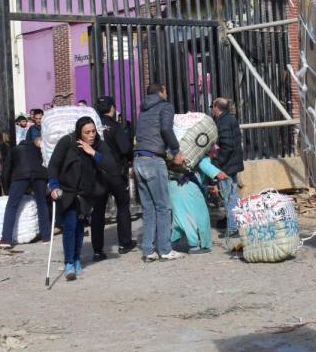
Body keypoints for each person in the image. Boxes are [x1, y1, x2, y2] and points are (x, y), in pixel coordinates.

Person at [47, 117, 117, 280]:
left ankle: (77, 257)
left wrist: (93, 153)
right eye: (87, 132)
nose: (91, 135)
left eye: (93, 131)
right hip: (68, 191)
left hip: (87, 194)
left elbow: (112, 166)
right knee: (70, 225)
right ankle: (69, 262)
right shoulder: (67, 142)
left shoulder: (98, 144)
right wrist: (54, 185)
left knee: (79, 227)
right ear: (80, 132)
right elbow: (54, 165)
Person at [133, 83, 186, 262]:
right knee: (163, 207)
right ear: (162, 92)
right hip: (154, 161)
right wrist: (176, 151)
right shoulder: (165, 106)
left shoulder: (143, 110)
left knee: (148, 209)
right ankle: (165, 249)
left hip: (138, 160)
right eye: (166, 90)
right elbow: (165, 128)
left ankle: (148, 250)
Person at [95, 96, 137, 254]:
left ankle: (97, 250)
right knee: (123, 206)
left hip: (99, 172)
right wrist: (130, 159)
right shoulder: (116, 126)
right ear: (112, 108)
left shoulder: (94, 127)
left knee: (98, 210)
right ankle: (124, 243)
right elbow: (126, 148)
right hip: (116, 172)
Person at [0, 126, 51, 248]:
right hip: (39, 176)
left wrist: (7, 190)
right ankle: (46, 236)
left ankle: (6, 239)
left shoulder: (15, 149)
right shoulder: (39, 149)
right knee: (42, 204)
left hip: (20, 176)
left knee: (12, 205)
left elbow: (6, 172)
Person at [168, 155, 226, 254]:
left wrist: (206, 188)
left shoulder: (178, 149)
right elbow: (203, 164)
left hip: (172, 184)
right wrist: (217, 173)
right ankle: (197, 245)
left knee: (179, 215)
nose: (216, 152)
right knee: (201, 216)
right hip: (187, 187)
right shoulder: (199, 153)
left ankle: (171, 242)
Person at [210, 97, 244, 235]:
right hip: (232, 164)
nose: (211, 109)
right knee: (231, 196)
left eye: (212, 107)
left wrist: (218, 162)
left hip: (227, 166)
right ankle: (231, 223)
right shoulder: (229, 119)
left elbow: (227, 145)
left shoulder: (223, 122)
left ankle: (232, 228)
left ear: (216, 107)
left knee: (229, 197)